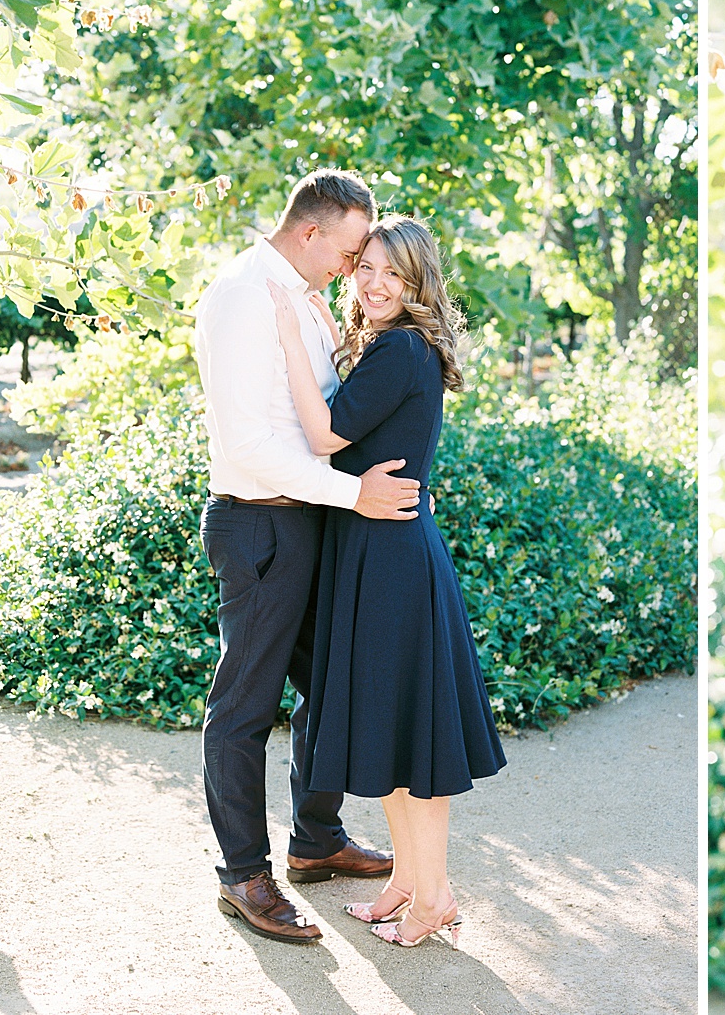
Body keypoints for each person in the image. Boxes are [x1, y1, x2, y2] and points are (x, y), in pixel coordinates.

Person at [195, 169, 425, 945]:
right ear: (311, 233)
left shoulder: (303, 295)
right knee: (244, 709)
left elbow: (330, 417)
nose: (356, 267)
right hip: (259, 524)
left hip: (313, 523)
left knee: (333, 684)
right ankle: (242, 875)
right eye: (353, 250)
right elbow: (253, 447)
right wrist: (353, 494)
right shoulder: (241, 298)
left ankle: (316, 840)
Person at [267, 214, 507, 951]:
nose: (374, 283)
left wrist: (285, 330)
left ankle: (433, 896)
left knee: (414, 741)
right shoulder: (391, 345)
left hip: (391, 560)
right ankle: (407, 880)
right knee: (399, 736)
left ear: (417, 285)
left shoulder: (400, 347)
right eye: (366, 266)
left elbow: (325, 436)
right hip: (376, 550)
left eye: (393, 275)